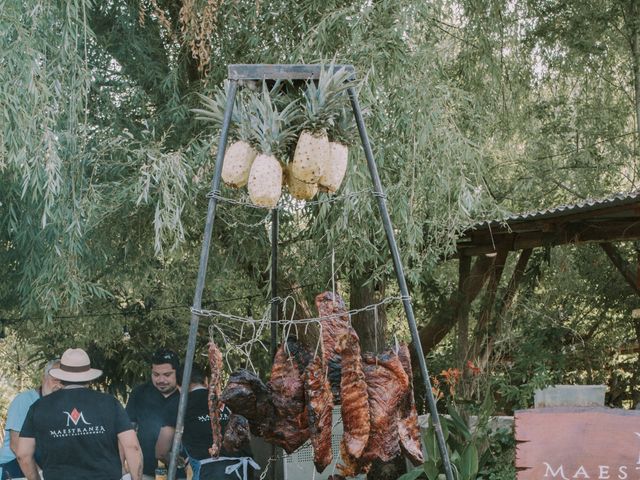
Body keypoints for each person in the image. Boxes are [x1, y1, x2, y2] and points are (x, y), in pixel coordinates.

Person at [15, 348, 142, 480]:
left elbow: (23, 454)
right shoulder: (110, 403)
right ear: (89, 378)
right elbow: (133, 447)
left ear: (62, 377)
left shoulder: (39, 407)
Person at [155, 365, 258, 480]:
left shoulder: (178, 405)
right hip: (245, 471)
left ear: (179, 387)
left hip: (211, 473)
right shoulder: (226, 401)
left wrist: (181, 464)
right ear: (206, 381)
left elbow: (161, 452)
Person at [126, 349, 185, 480]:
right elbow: (127, 432)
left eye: (167, 374)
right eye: (156, 374)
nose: (161, 380)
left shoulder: (187, 396)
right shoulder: (139, 393)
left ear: (178, 373)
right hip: (145, 472)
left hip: (183, 473)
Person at [0, 359, 61, 479]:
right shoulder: (24, 400)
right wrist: (41, 475)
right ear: (43, 379)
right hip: (14, 468)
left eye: (63, 382)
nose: (59, 386)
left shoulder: (59, 406)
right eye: (55, 380)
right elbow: (17, 446)